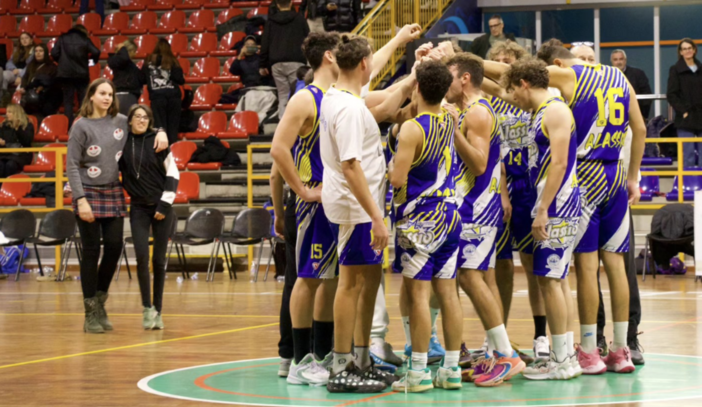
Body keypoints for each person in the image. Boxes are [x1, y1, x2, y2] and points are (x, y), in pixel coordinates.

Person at [511, 44, 646, 374]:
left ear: (555, 64)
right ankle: (622, 348)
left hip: (586, 176)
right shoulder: (618, 76)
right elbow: (639, 128)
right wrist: (632, 177)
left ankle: (588, 349)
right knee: (616, 266)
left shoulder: (570, 76)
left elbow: (511, 75)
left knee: (587, 267)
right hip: (615, 172)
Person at [320, 34, 413, 393]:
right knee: (351, 283)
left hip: (363, 203)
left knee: (369, 280)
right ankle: (341, 364)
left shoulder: (342, 95)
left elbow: (384, 102)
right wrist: (376, 215)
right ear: (363, 64)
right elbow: (351, 167)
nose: (373, 65)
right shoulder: (348, 107)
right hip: (356, 207)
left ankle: (361, 358)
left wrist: (407, 60)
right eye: (372, 60)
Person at [444, 53, 525, 387]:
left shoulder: (477, 111)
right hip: (479, 202)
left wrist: (453, 130)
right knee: (482, 278)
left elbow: (478, 163)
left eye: (447, 75)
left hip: (476, 206)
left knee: (468, 277)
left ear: (464, 78)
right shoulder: (472, 109)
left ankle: (507, 355)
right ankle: (495, 351)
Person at [501, 57, 582, 380]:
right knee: (557, 280)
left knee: (551, 280)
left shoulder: (555, 110)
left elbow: (560, 164)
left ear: (524, 83)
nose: (512, 98)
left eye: (513, 90)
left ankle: (561, 361)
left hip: (558, 203)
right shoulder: (544, 110)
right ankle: (565, 356)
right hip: (555, 201)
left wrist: (544, 208)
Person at [66, 78, 168, 334]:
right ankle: (90, 313)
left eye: (110, 94)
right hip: (87, 193)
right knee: (91, 252)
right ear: (91, 96)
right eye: (102, 93)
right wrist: (80, 199)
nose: (107, 98)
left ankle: (100, 301)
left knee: (113, 247)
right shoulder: (80, 126)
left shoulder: (121, 121)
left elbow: (144, 122)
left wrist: (162, 130)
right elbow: (71, 165)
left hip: (112, 191)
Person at [387, 59, 464, 393]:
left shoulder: (412, 129)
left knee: (418, 294)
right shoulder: (449, 119)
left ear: (416, 88)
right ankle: (451, 369)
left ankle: (418, 371)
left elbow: (398, 177)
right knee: (447, 293)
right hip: (450, 213)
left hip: (420, 217)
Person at [270, 31, 341, 386]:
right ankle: (298, 361)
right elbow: (277, 151)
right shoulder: (305, 99)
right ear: (329, 56)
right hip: (313, 205)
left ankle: (322, 355)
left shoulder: (339, 96)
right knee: (308, 278)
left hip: (335, 203)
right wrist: (302, 191)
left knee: (328, 279)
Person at [482, 42, 548, 365]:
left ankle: (540, 336)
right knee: (499, 265)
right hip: (499, 187)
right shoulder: (488, 101)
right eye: (496, 62)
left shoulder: (528, 97)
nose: (500, 67)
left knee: (533, 264)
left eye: (507, 63)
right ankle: (498, 338)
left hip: (530, 185)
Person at [119, 104, 179, 331]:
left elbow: (173, 173)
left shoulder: (158, 141)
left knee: (159, 260)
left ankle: (159, 310)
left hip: (162, 207)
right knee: (142, 258)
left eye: (145, 117)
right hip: (138, 209)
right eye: (137, 117)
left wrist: (164, 205)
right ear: (130, 120)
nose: (142, 120)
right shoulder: (122, 143)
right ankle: (147, 308)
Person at [260, 0, 310, 119]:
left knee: (282, 95)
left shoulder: (270, 22)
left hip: (276, 63)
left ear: (277, 5)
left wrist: (262, 64)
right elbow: (308, 40)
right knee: (297, 94)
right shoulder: (300, 19)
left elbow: (265, 43)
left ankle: (283, 128)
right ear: (291, 3)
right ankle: (298, 128)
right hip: (296, 61)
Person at [51, 24, 101, 127]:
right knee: (83, 100)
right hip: (81, 73)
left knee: (68, 101)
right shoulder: (84, 39)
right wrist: (91, 61)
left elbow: (54, 53)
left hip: (65, 74)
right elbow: (96, 51)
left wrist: (61, 62)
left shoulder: (62, 38)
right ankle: (83, 124)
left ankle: (69, 126)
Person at [667, 38, 702, 167]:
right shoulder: (675, 69)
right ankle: (688, 184)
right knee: (688, 157)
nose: (687, 51)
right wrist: (684, 111)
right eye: (684, 49)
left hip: (701, 115)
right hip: (685, 118)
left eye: (689, 48)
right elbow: (671, 94)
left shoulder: (701, 68)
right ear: (680, 52)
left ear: (694, 50)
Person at [142, 39, 185, 145]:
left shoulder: (148, 60)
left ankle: (162, 155)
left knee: (160, 129)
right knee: (172, 129)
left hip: (157, 97)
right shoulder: (172, 60)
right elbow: (180, 80)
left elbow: (142, 78)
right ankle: (171, 154)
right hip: (173, 97)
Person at [19, 43, 60, 119]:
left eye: (40, 51)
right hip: (30, 94)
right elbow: (25, 78)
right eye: (36, 51)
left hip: (46, 97)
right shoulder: (31, 65)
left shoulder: (52, 67)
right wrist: (23, 87)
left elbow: (53, 84)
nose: (38, 53)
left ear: (45, 52)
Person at [108, 40, 145, 116]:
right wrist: (122, 48)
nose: (135, 54)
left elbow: (142, 79)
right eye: (134, 51)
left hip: (130, 96)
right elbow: (124, 58)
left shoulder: (130, 65)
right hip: (125, 96)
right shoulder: (117, 60)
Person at [611, 49, 652, 118]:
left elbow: (647, 96)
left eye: (621, 59)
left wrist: (642, 116)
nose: (618, 62)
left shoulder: (638, 73)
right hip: (614, 116)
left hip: (635, 115)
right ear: (612, 62)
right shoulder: (607, 75)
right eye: (615, 60)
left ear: (625, 60)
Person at [0, 103, 34, 179]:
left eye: (9, 112)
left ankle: (8, 187)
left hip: (21, 154)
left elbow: (27, 142)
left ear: (16, 113)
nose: (6, 114)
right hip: (5, 154)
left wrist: (17, 129)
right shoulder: (4, 125)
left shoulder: (27, 125)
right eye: (6, 112)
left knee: (10, 165)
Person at [1, 33, 34, 100]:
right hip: (14, 71)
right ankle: (2, 97)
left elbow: (31, 65)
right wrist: (13, 69)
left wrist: (20, 76)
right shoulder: (17, 50)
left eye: (26, 38)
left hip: (26, 72)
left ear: (31, 40)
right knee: (3, 75)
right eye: (22, 39)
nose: (24, 40)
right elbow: (9, 62)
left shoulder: (34, 50)